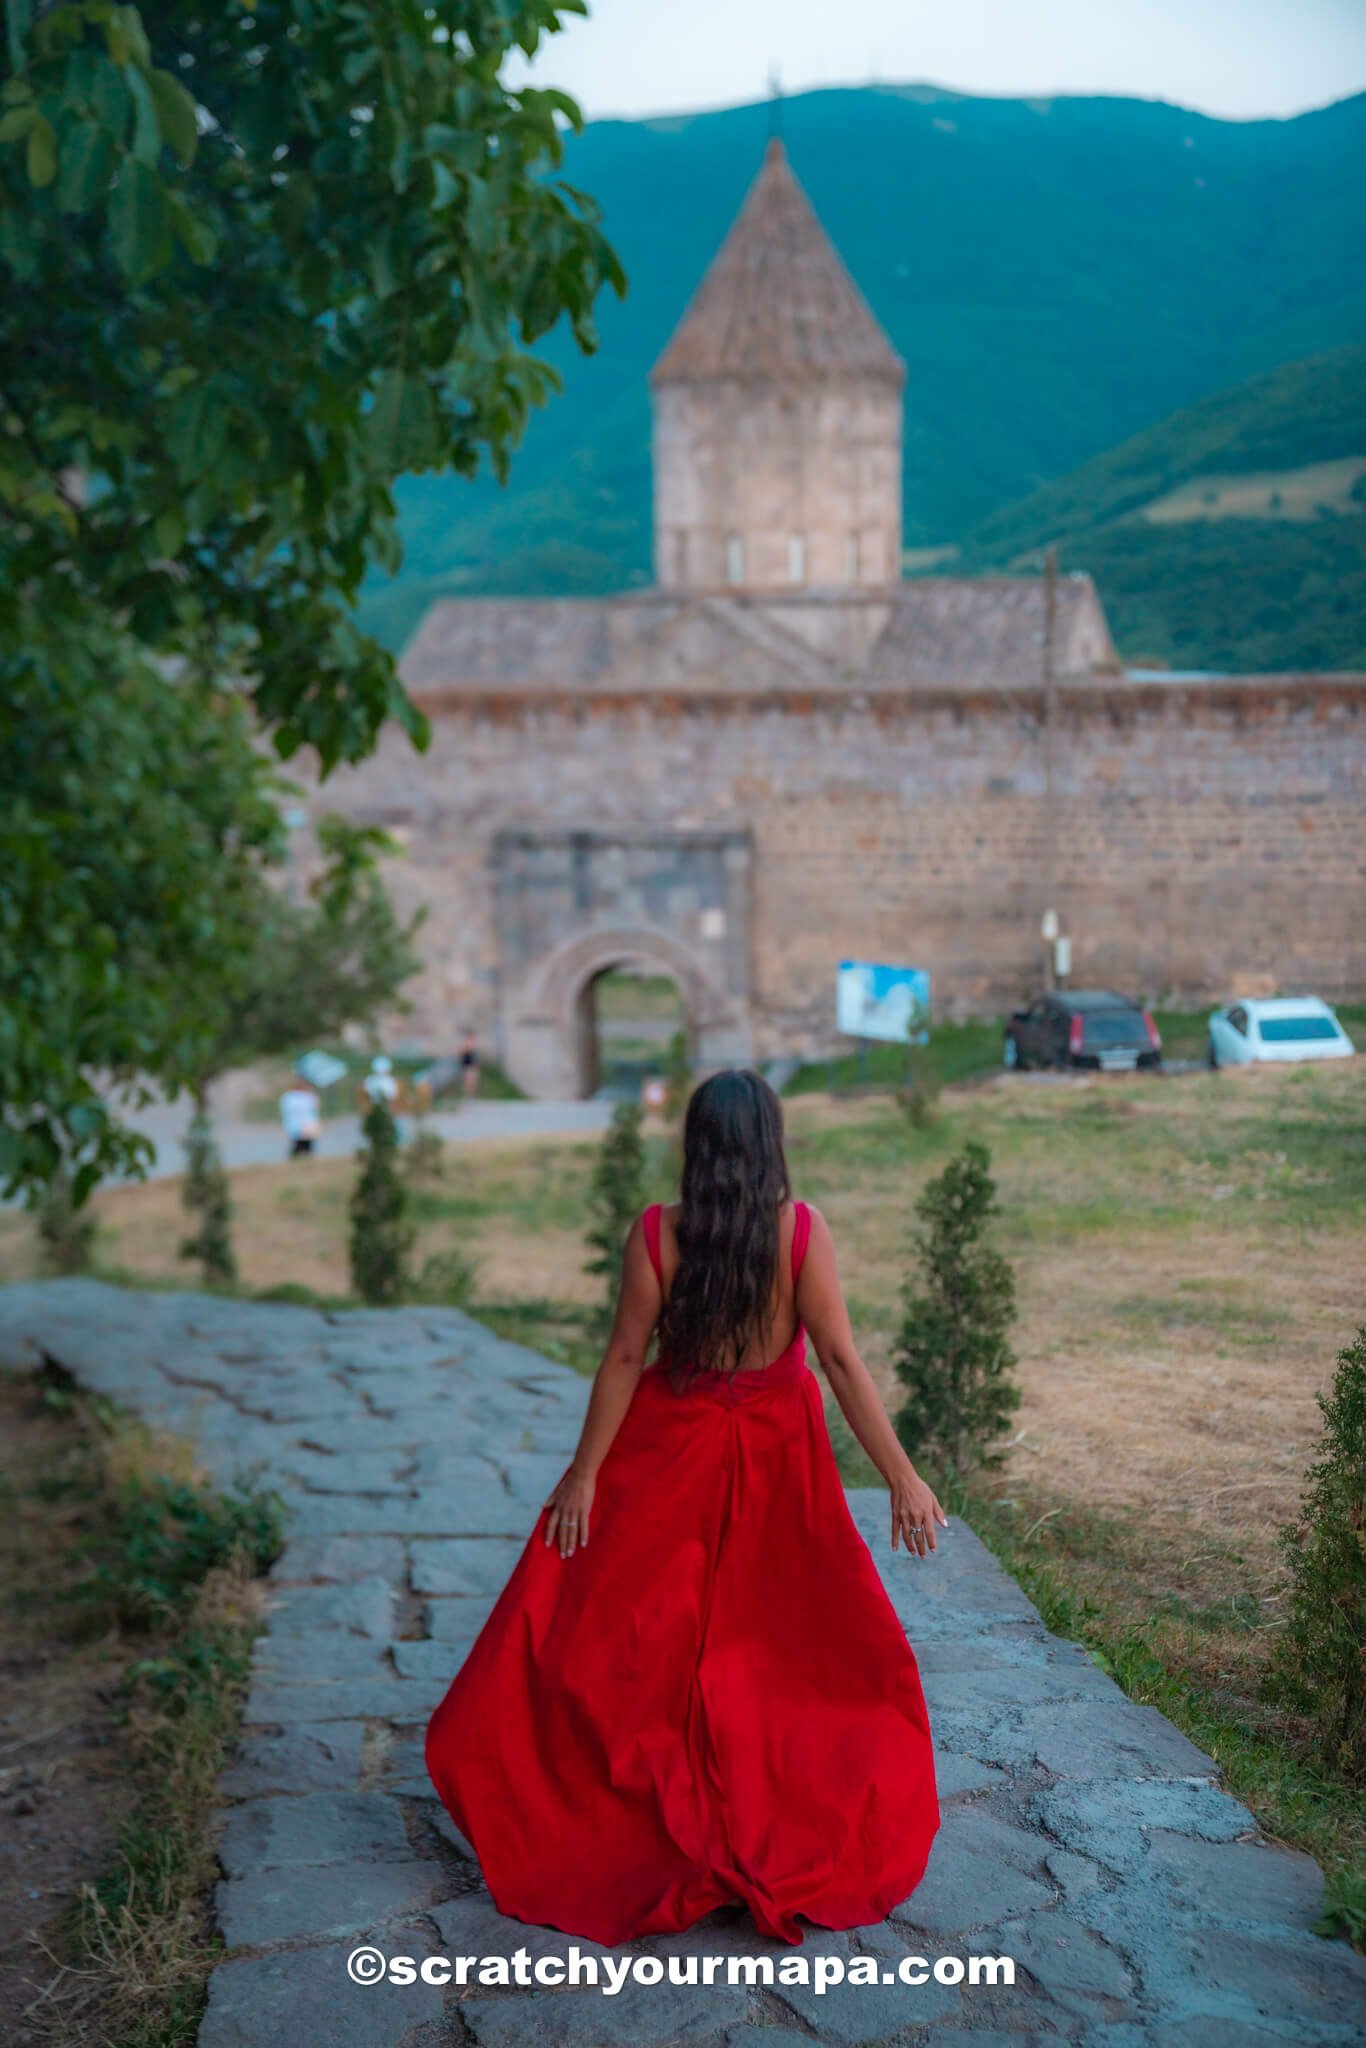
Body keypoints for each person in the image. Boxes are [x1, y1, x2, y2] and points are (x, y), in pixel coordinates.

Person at [426, 1068, 943, 1947]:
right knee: (786, 1646)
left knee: (619, 1633)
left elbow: (625, 1358)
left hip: (670, 1450)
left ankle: (631, 1816)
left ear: (694, 1146)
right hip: (779, 1457)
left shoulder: (659, 1235)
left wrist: (585, 1474)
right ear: (771, 1142)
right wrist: (902, 1475)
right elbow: (842, 1362)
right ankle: (769, 1815)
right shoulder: (801, 1231)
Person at [278, 1076, 321, 1159]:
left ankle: (298, 1161)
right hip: (306, 1125)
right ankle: (301, 1160)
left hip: (297, 1125)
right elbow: (315, 1109)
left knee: (300, 1146)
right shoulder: (308, 1096)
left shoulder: (288, 1097)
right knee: (304, 1146)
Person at [458, 1030, 480, 1100]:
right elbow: (462, 1055)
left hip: (472, 1066)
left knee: (473, 1081)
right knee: (468, 1081)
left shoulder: (473, 1046)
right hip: (467, 1066)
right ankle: (468, 1095)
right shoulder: (465, 1046)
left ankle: (471, 1096)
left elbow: (475, 1058)